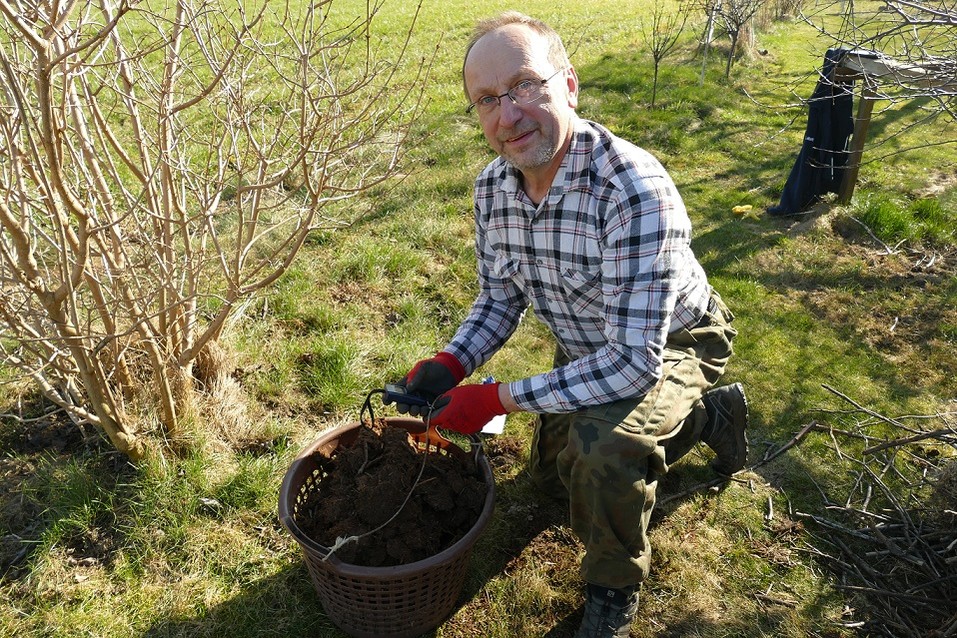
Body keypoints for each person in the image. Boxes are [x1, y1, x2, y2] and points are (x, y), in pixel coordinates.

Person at [386, 11, 749, 638]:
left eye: (526, 85)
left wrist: (496, 399)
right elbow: (499, 299)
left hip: (672, 340)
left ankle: (613, 589)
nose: (509, 115)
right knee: (552, 480)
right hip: (587, 342)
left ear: (569, 85)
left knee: (603, 454)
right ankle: (711, 419)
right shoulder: (493, 189)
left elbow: (633, 363)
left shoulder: (632, 188)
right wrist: (452, 363)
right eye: (488, 99)